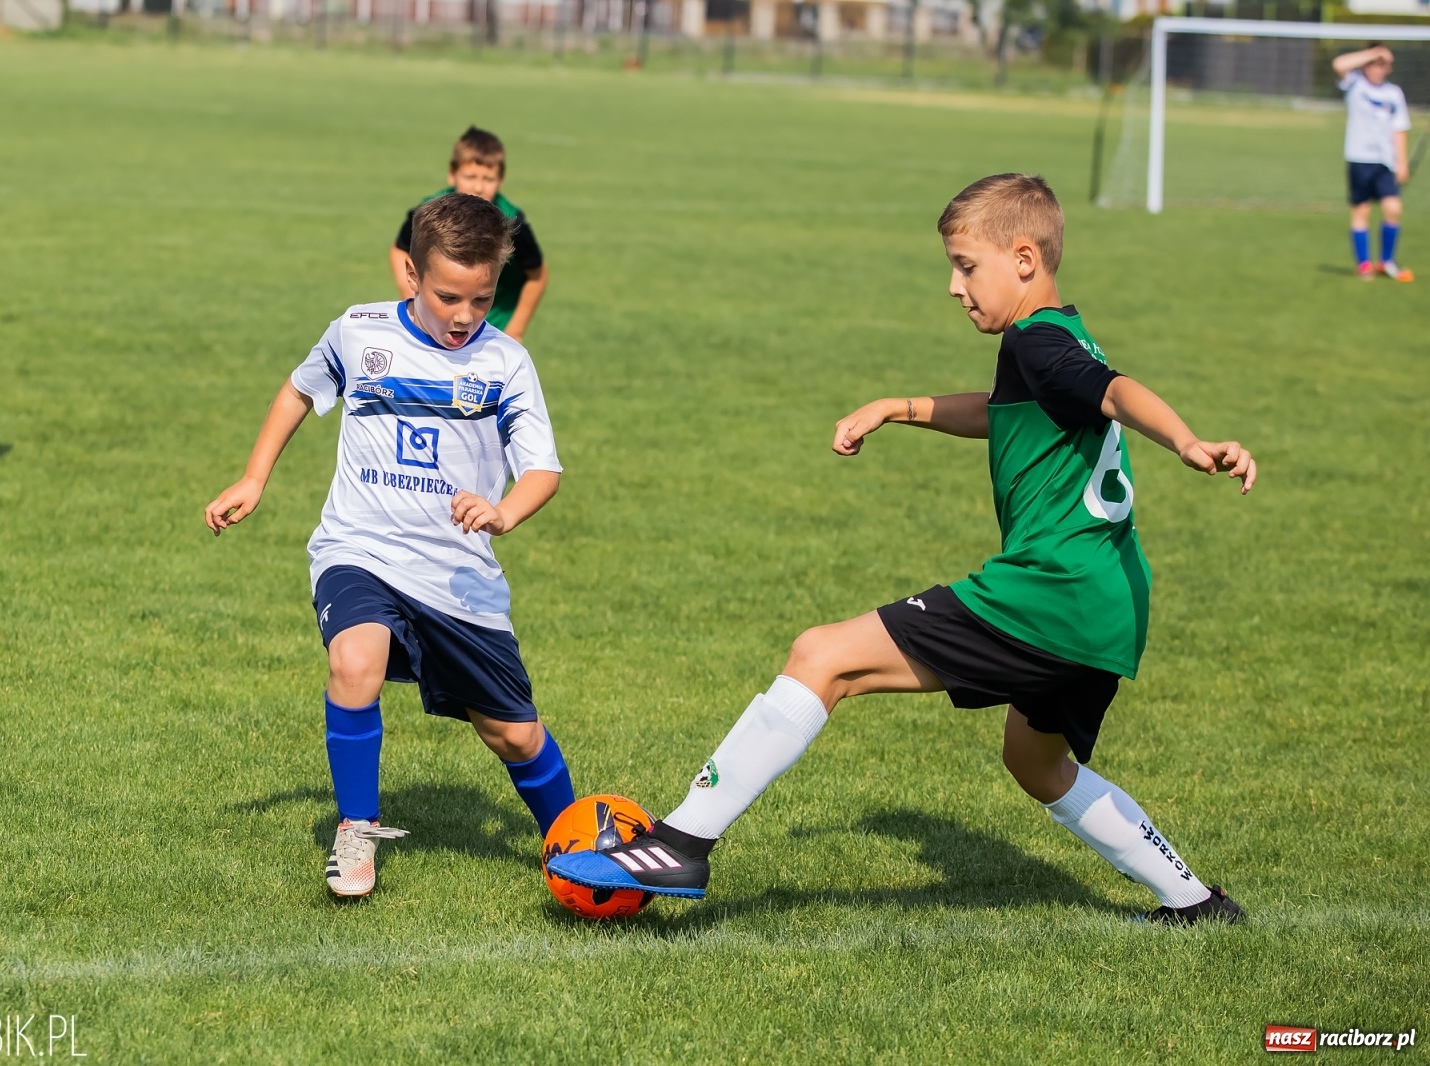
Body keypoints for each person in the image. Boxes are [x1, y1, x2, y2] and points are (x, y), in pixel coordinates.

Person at [548, 174, 1257, 925]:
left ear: (1024, 257)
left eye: (965, 265)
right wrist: (900, 407)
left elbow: (1114, 392)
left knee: (823, 656)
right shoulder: (1058, 335)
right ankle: (1195, 901)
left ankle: (680, 842)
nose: (955, 286)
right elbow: (1012, 409)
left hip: (1049, 592)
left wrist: (1185, 440)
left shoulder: (1036, 338)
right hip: (1109, 603)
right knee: (1037, 762)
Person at [206, 193, 574, 898]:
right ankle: (357, 832)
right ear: (410, 273)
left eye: (481, 298)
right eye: (447, 296)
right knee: (354, 661)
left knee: (515, 736)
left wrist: (503, 512)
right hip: (359, 547)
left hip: (456, 577)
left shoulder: (505, 362)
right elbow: (296, 391)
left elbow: (544, 470)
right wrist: (255, 478)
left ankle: (574, 840)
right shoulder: (359, 332)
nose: (465, 315)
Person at [390, 126, 549, 341]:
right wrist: (410, 293)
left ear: (501, 180)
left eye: (488, 179)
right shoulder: (430, 212)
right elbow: (399, 250)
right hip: (438, 323)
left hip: (492, 329)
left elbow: (538, 274)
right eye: (470, 176)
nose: (479, 187)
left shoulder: (510, 223)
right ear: (452, 174)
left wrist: (516, 329)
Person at [1332, 45, 1412, 282]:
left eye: (1382, 64)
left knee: (1393, 208)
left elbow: (1399, 130)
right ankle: (1364, 264)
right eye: (1373, 64)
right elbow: (1339, 64)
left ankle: (1386, 262)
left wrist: (1402, 162)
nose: (1377, 69)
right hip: (1359, 158)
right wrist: (1375, 52)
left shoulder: (1394, 93)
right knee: (1362, 210)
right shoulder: (1356, 85)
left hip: (1385, 161)